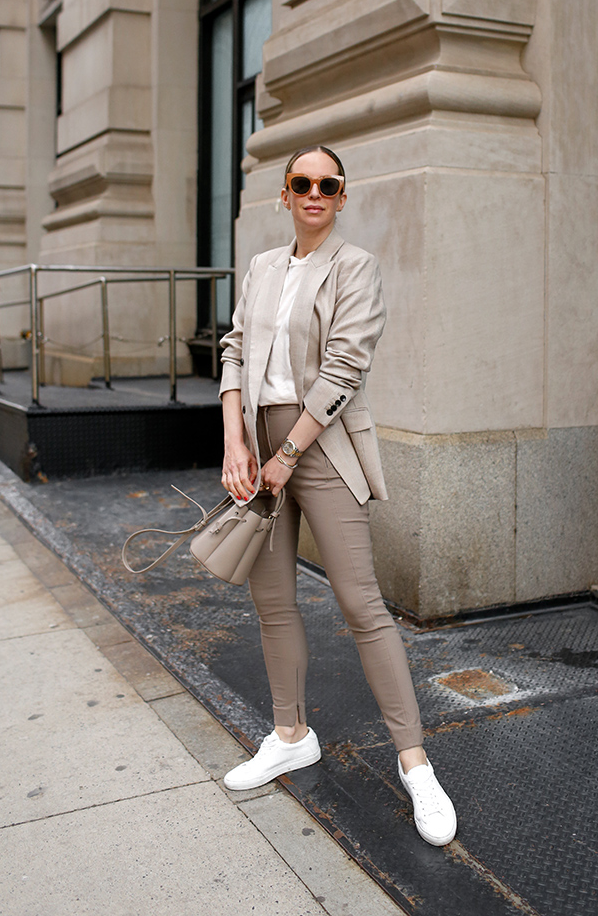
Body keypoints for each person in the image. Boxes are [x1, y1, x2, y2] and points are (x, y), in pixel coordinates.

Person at [218, 145, 457, 847]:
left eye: (328, 184)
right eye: (302, 183)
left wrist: (288, 453)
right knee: (272, 599)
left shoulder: (355, 268)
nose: (315, 193)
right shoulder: (263, 267)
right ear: (284, 196)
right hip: (258, 442)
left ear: (342, 197)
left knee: (360, 601)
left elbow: (344, 367)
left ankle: (415, 764)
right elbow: (234, 349)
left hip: (317, 444)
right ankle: (290, 733)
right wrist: (237, 443)